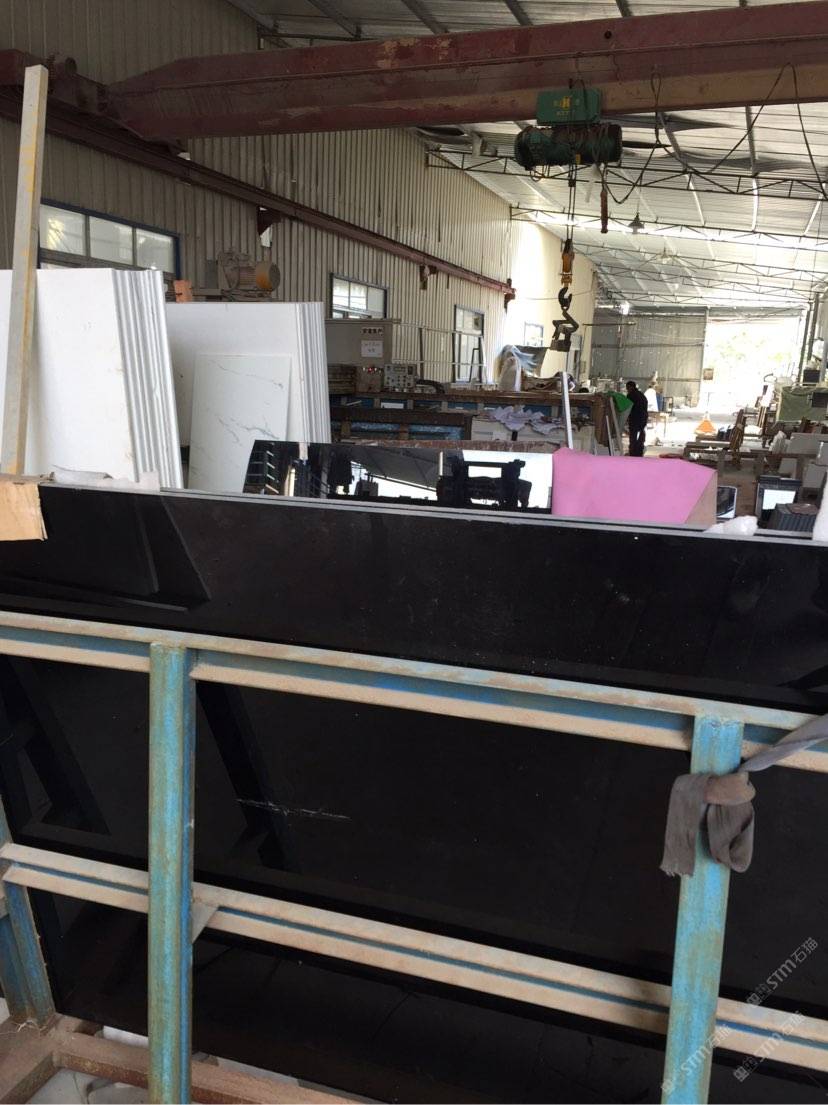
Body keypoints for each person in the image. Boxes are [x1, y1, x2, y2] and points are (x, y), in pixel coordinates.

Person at [626, 380, 649, 457]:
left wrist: (626, 418)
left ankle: (633, 452)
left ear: (630, 387)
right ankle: (639, 450)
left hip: (635, 417)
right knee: (641, 433)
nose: (627, 389)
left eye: (627, 388)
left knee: (633, 435)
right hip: (643, 417)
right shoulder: (641, 395)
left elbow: (628, 408)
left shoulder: (631, 395)